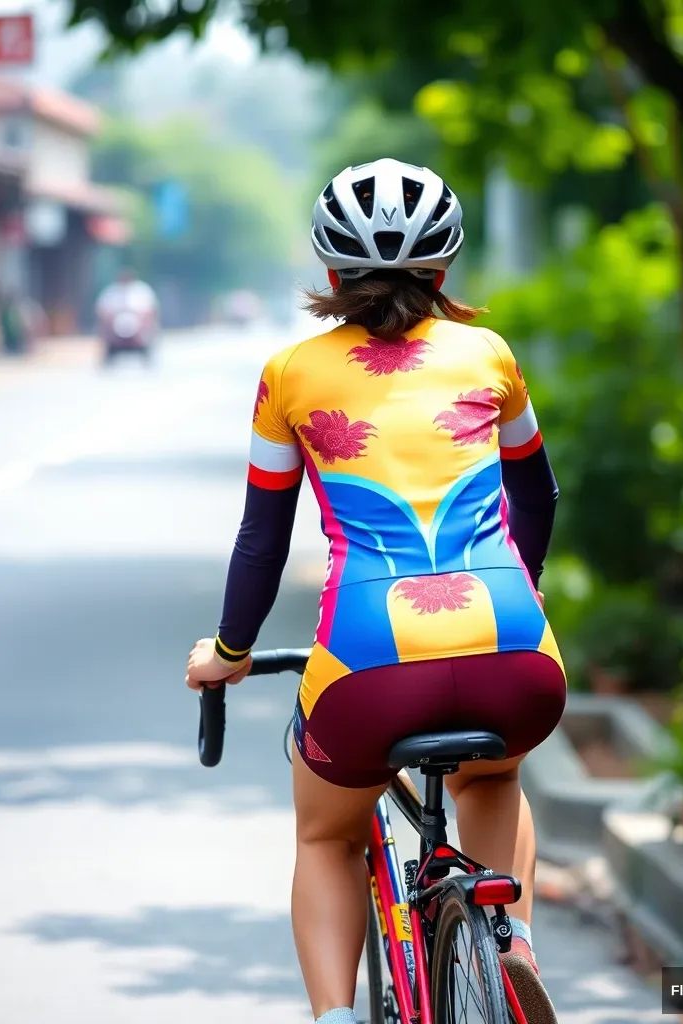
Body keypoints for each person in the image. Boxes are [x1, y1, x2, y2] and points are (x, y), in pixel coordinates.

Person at [185, 158, 566, 1024]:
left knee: (328, 830)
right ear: (443, 269)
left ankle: (333, 1017)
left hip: (367, 664)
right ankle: (507, 946)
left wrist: (231, 654)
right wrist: (521, 597)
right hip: (513, 646)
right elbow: (537, 496)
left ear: (328, 272)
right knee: (490, 775)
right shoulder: (489, 355)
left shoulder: (289, 374)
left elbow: (262, 539)